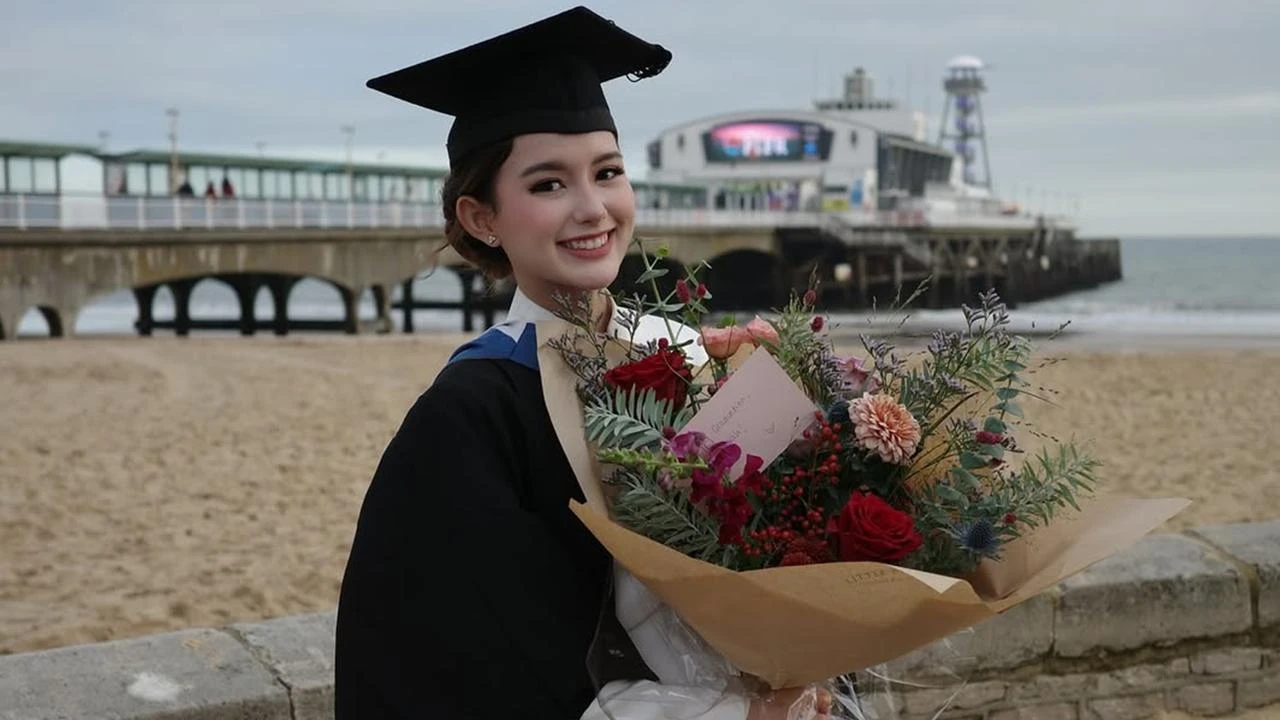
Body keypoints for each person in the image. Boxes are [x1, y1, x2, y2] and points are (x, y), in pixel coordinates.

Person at [334, 7, 832, 719]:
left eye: (608, 172)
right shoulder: (472, 413)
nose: (593, 208)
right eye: (547, 184)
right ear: (482, 218)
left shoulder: (693, 355)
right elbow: (492, 664)